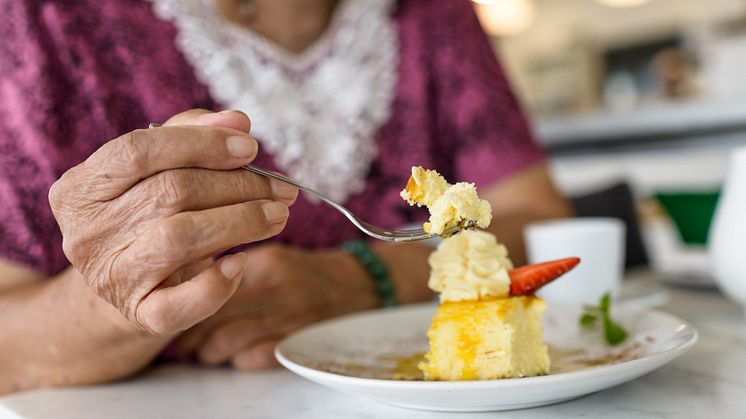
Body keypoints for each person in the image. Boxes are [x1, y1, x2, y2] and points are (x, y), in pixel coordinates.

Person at [0, 0, 572, 394]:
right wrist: (136, 288)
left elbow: (539, 221)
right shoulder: (40, 21)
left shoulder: (429, 13)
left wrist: (362, 278)